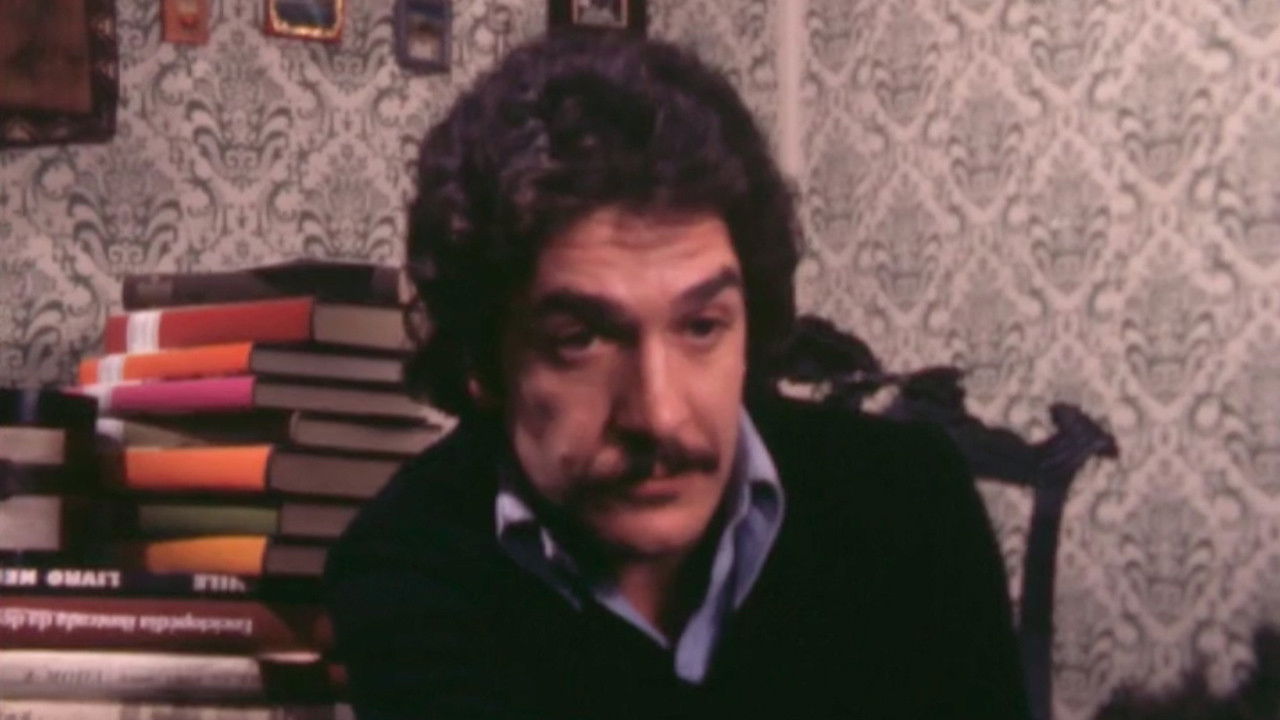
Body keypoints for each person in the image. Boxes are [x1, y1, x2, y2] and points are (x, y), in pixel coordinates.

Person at [324, 31, 1030, 720]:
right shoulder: (407, 562)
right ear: (483, 364)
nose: (659, 415)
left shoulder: (910, 503)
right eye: (581, 341)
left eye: (701, 327)